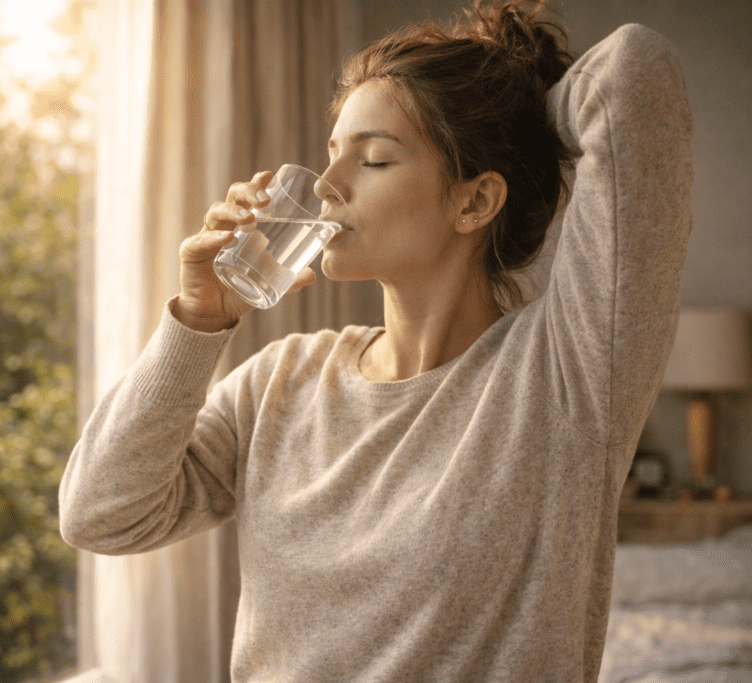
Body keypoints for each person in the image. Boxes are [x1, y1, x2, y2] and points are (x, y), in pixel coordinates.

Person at [60, 0, 693, 679]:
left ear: (475, 201)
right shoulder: (282, 381)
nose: (327, 186)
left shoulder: (564, 376)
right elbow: (100, 514)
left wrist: (515, 114)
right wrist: (196, 320)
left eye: (375, 159)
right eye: (333, 154)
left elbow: (632, 75)